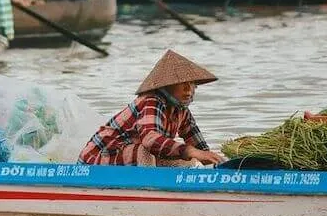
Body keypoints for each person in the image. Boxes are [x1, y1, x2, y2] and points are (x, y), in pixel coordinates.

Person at [79, 49, 224, 167]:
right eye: (182, 83)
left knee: (190, 161)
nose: (188, 89)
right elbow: (151, 140)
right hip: (95, 160)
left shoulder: (182, 111)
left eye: (192, 84)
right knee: (147, 151)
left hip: (127, 159)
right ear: (167, 86)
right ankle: (149, 187)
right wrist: (189, 151)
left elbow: (202, 151)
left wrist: (217, 159)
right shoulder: (151, 101)